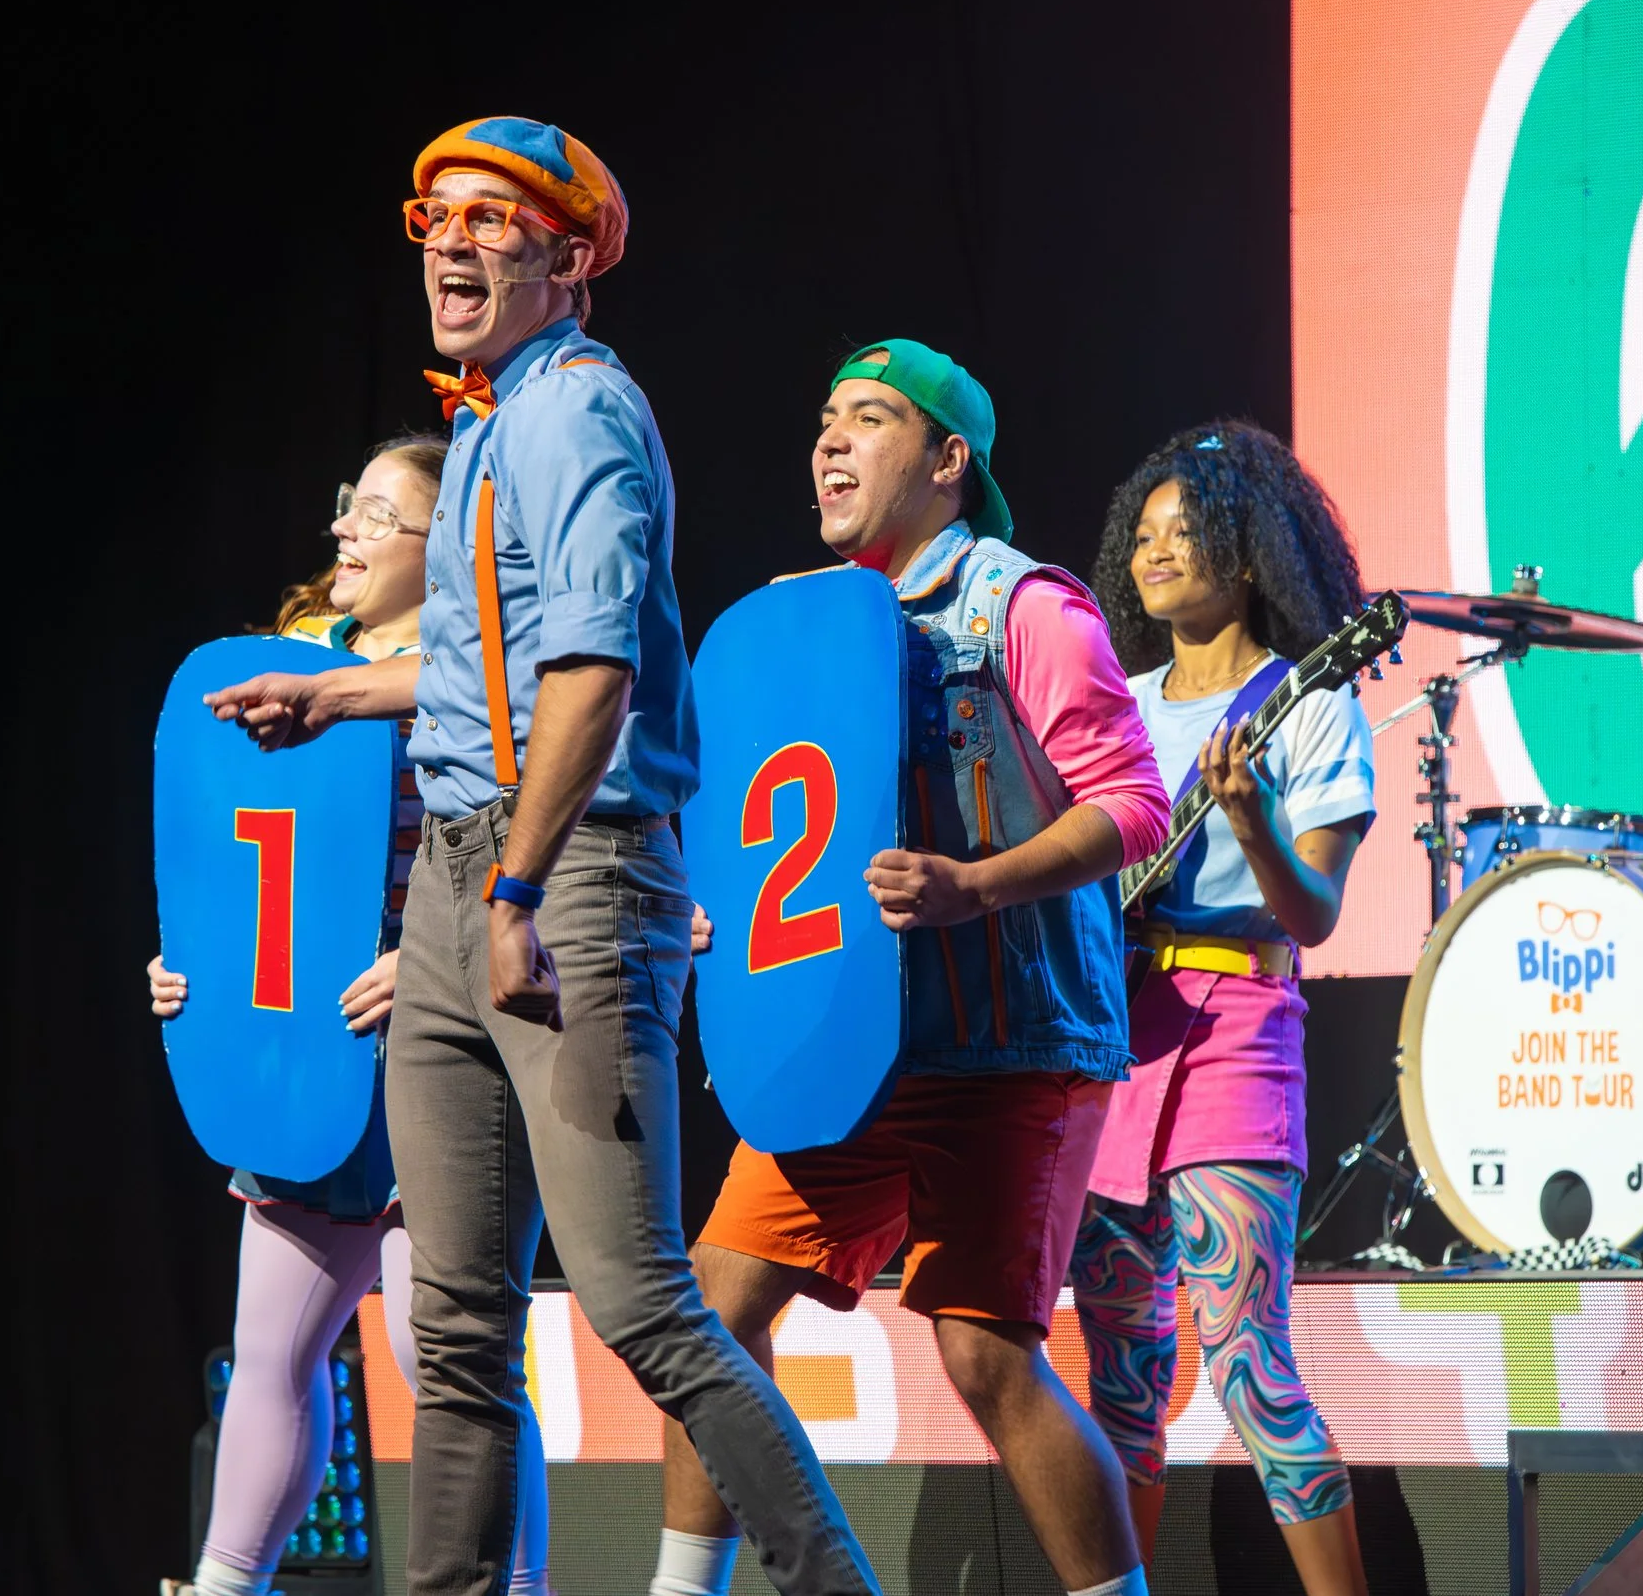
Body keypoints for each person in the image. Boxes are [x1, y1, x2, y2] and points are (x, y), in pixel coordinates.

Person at [208, 117, 881, 1596]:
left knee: (640, 1296)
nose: (452, 242)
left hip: (567, 872)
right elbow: (480, 662)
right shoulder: (491, 422)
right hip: (461, 876)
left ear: (568, 260)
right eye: (436, 217)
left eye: (493, 222)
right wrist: (331, 692)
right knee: (451, 1323)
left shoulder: (575, 412)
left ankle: (838, 1583)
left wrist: (516, 889)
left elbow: (589, 676)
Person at [657, 340, 1169, 1596]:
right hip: (841, 1049)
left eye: (870, 419)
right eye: (824, 417)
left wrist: (974, 885)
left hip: (1006, 1055)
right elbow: (765, 834)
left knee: (987, 1357)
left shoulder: (1026, 607)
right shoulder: (794, 625)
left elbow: (1136, 807)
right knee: (702, 1329)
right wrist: (722, 917)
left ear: (949, 461)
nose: (829, 440)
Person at [150, 439, 557, 1596]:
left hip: (440, 1058)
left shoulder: (486, 681)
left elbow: (538, 857)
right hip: (307, 1059)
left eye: (379, 515)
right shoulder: (286, 672)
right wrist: (192, 972)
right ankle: (227, 1584)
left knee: (451, 1360)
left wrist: (429, 965)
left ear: (444, 554)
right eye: (349, 507)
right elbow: (239, 865)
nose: (346, 530)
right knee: (273, 1351)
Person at [1067, 419, 1375, 1596]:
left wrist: (1247, 822)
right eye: (1140, 533)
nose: (1153, 552)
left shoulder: (1305, 702)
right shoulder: (1118, 701)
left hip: (1236, 1030)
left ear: (1245, 555)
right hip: (1115, 1037)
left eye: (1183, 531)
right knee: (1124, 1382)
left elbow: (1315, 915)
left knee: (1248, 1363)